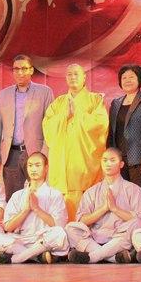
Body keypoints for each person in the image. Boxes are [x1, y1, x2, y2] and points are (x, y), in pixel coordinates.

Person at [42, 63, 109, 220]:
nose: (72, 77)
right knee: (61, 215)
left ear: (84, 77)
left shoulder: (95, 100)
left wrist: (78, 114)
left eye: (76, 74)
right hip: (62, 165)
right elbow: (47, 126)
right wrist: (64, 116)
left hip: (84, 164)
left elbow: (101, 124)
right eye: (69, 74)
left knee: (86, 211)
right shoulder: (58, 103)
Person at [0, 152, 68, 264]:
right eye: (30, 165)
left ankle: (16, 258)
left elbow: (58, 225)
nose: (33, 169)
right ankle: (36, 256)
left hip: (42, 240)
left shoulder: (55, 194)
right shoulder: (17, 195)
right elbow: (8, 227)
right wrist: (25, 211)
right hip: (19, 240)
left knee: (59, 233)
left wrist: (37, 209)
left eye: (37, 165)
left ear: (46, 168)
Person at [65, 148, 141, 264]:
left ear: (121, 164)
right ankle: (113, 258)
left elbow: (140, 220)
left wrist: (115, 209)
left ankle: (92, 257)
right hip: (95, 238)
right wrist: (103, 209)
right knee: (71, 228)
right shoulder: (91, 191)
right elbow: (82, 220)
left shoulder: (134, 189)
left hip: (120, 238)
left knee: (137, 224)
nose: (108, 164)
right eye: (105, 160)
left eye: (112, 160)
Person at [0, 54, 54, 199]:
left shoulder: (45, 92)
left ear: (31, 70)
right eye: (16, 69)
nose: (20, 72)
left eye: (24, 68)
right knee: (13, 198)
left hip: (36, 152)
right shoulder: (3, 95)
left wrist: (44, 154)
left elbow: (50, 127)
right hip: (11, 154)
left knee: (40, 196)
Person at [107, 64, 141, 198]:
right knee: (121, 198)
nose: (127, 80)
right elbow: (111, 132)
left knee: (138, 198)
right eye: (124, 78)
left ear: (139, 79)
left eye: (131, 77)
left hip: (139, 160)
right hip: (119, 160)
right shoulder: (115, 103)